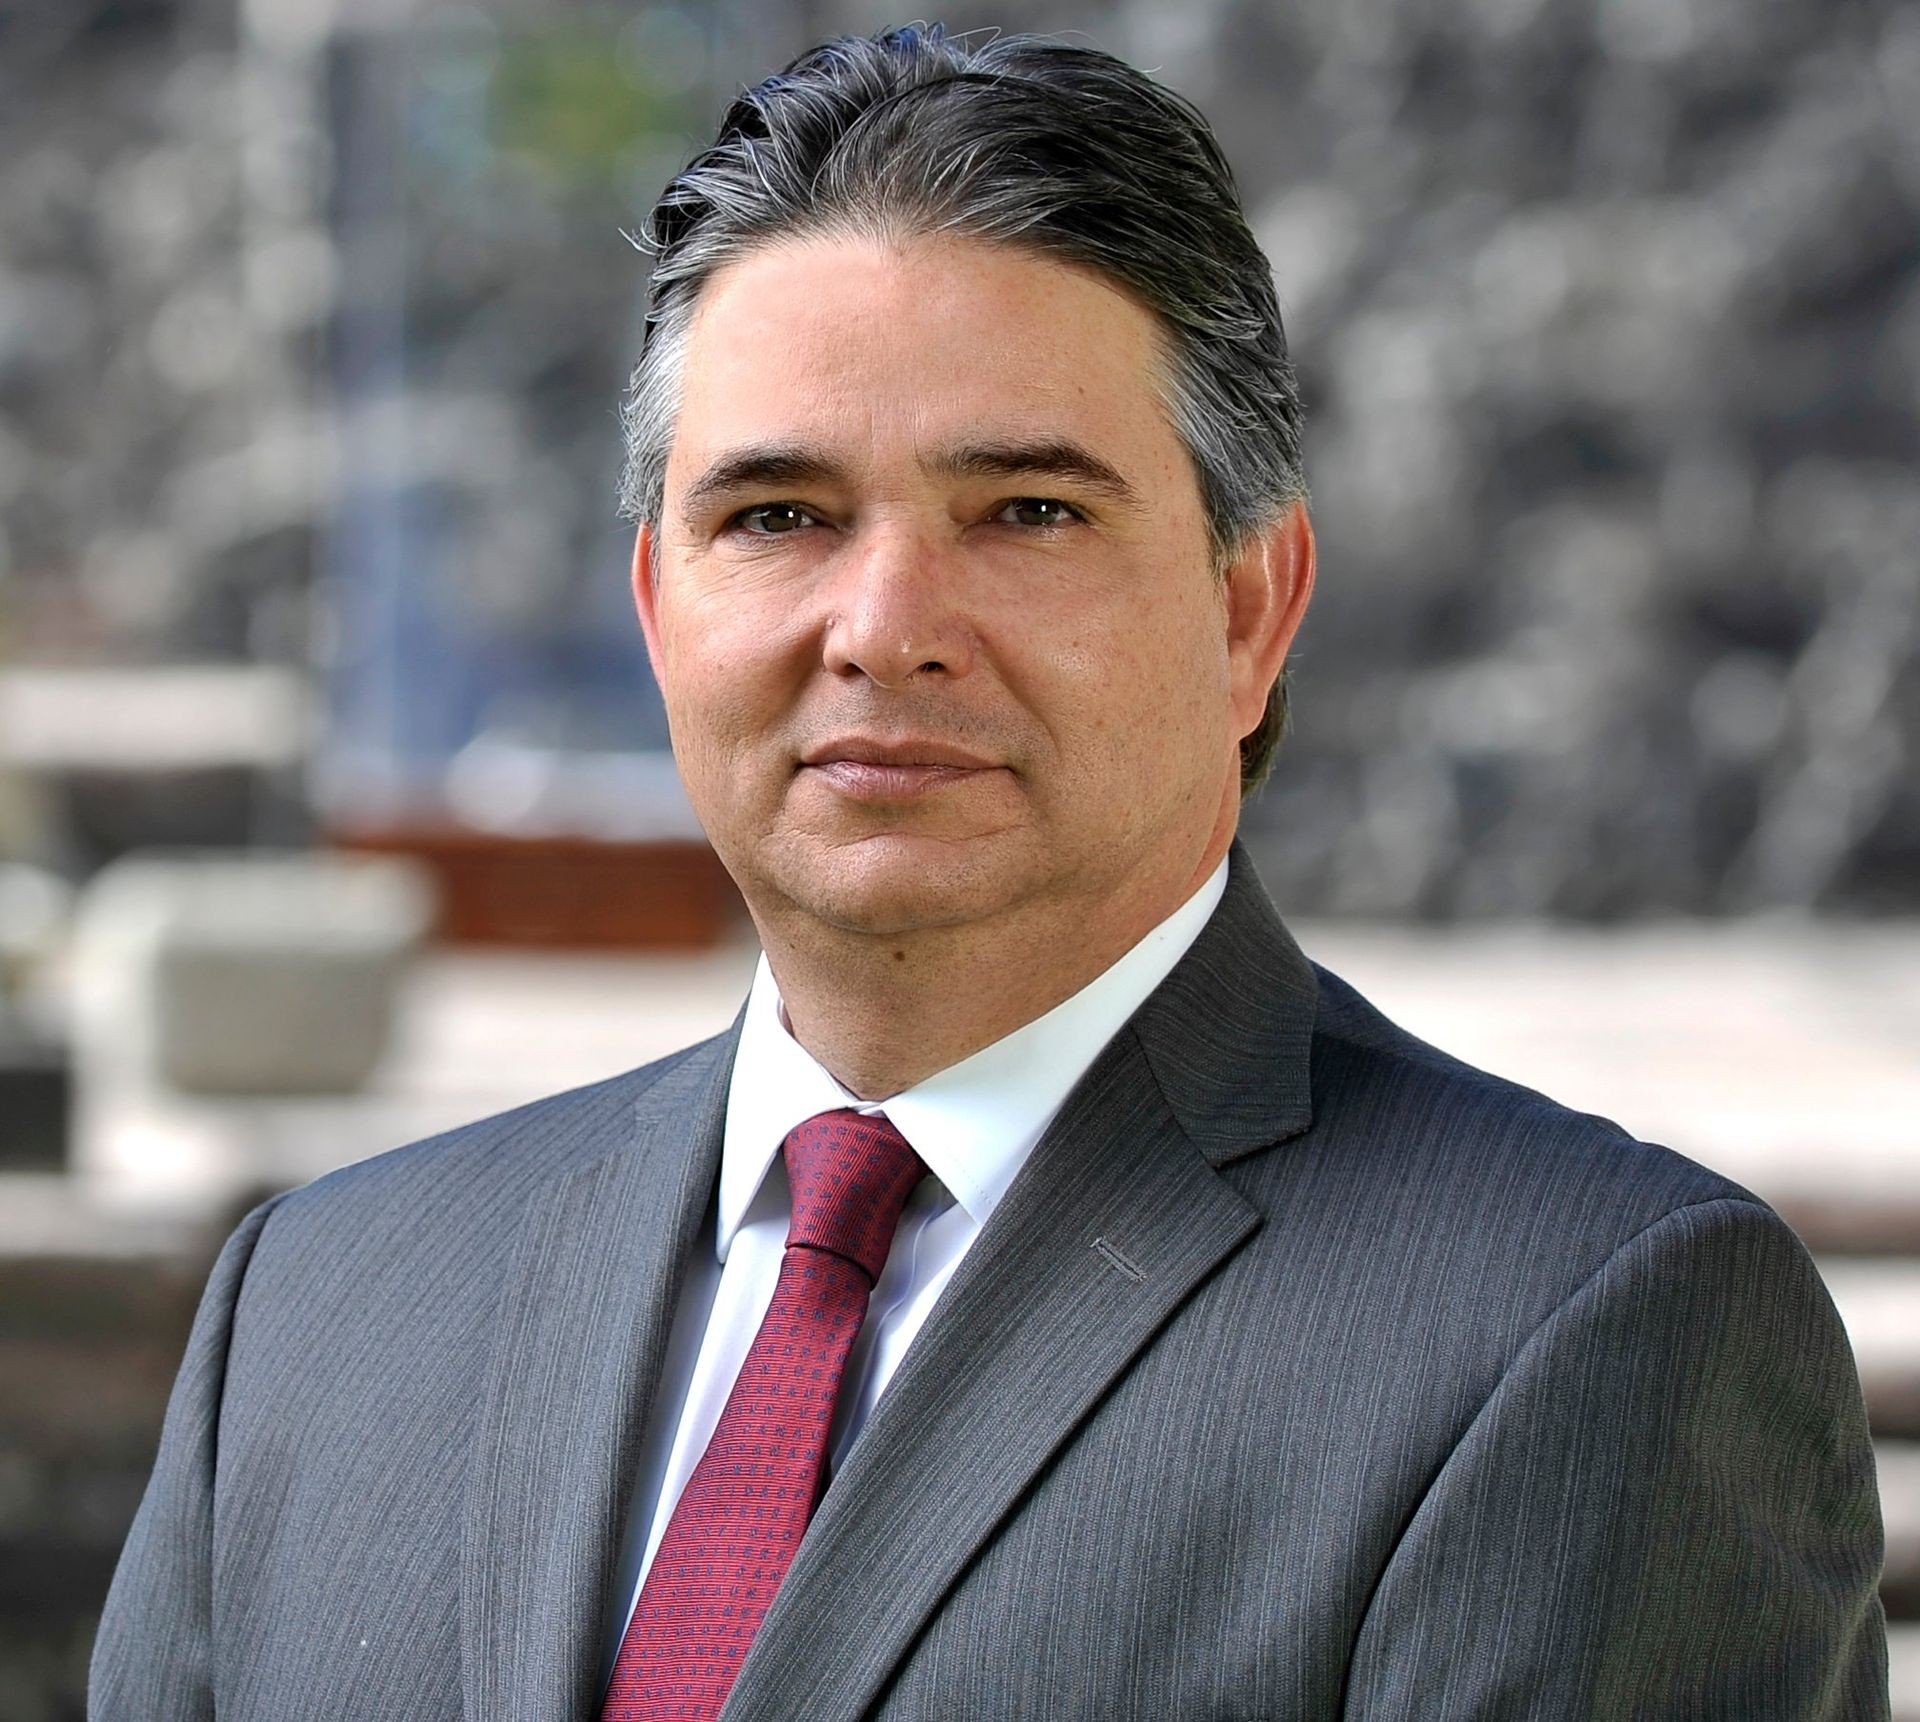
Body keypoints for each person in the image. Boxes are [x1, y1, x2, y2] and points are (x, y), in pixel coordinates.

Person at [91, 24, 1888, 1722]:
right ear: (658, 607)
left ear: (1249, 606)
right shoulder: (319, 1312)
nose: (883, 629)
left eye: (1026, 511)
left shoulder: (1596, 1341)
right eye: (777, 516)